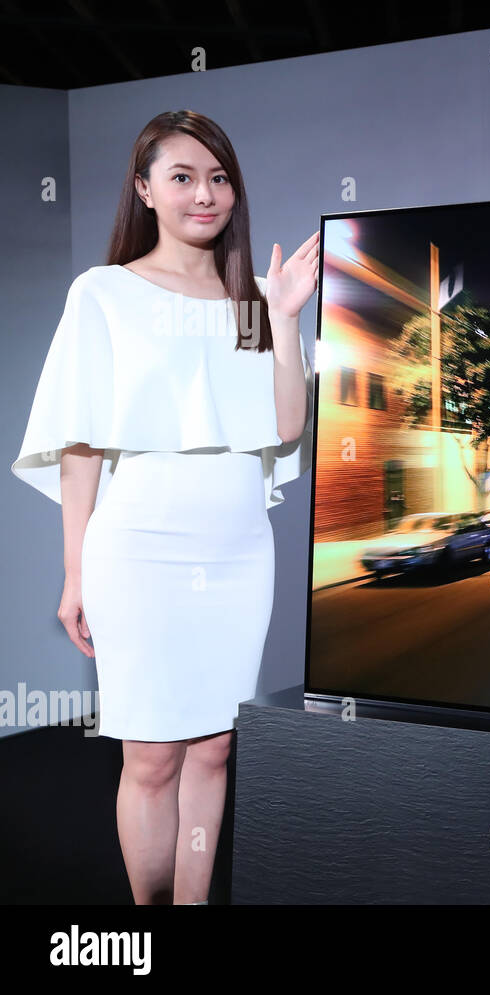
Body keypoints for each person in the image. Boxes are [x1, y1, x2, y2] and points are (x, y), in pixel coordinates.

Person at [10, 110, 317, 905]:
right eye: (182, 176)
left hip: (241, 545)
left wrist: (285, 322)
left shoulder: (257, 295)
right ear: (144, 188)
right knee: (149, 758)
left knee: (214, 749)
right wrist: (75, 572)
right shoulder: (103, 292)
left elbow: (285, 427)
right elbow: (80, 445)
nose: (204, 193)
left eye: (218, 177)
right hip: (137, 545)